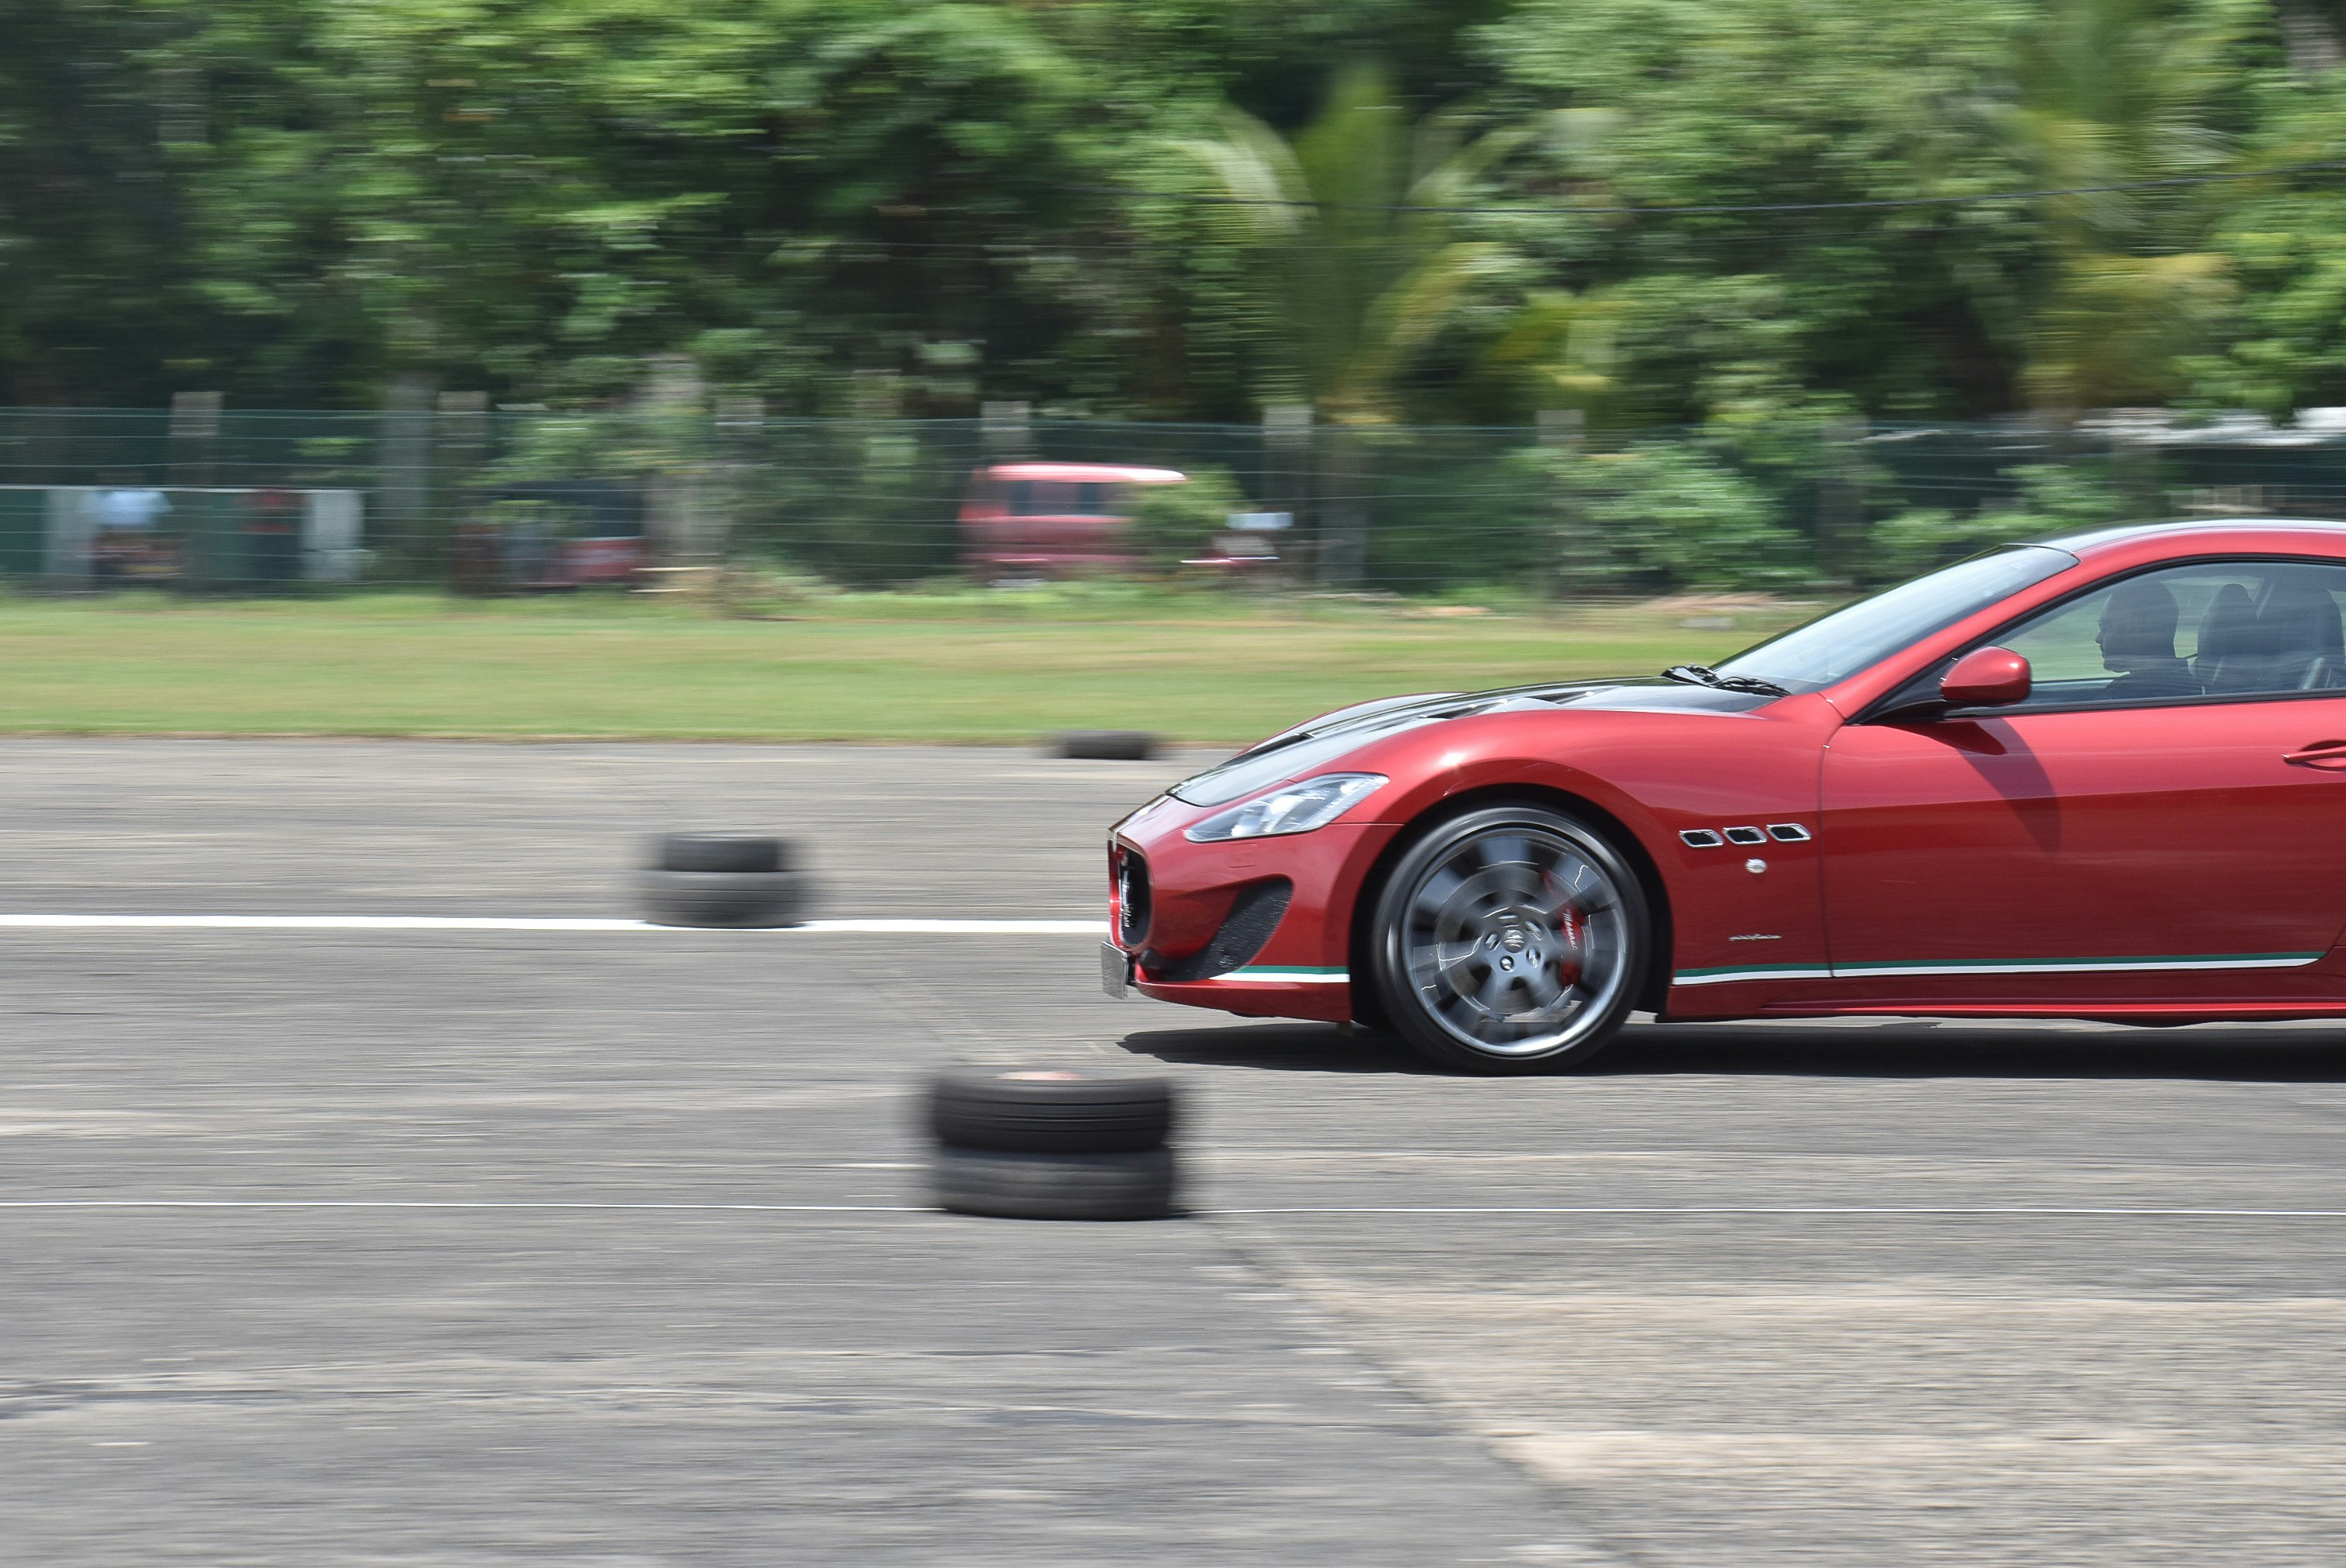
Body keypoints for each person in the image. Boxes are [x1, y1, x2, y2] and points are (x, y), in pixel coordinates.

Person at [2096, 578, 2199, 700]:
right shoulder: (2179, 686)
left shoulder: (2132, 696)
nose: (2098, 638)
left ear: (2134, 627)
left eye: (2105, 627)